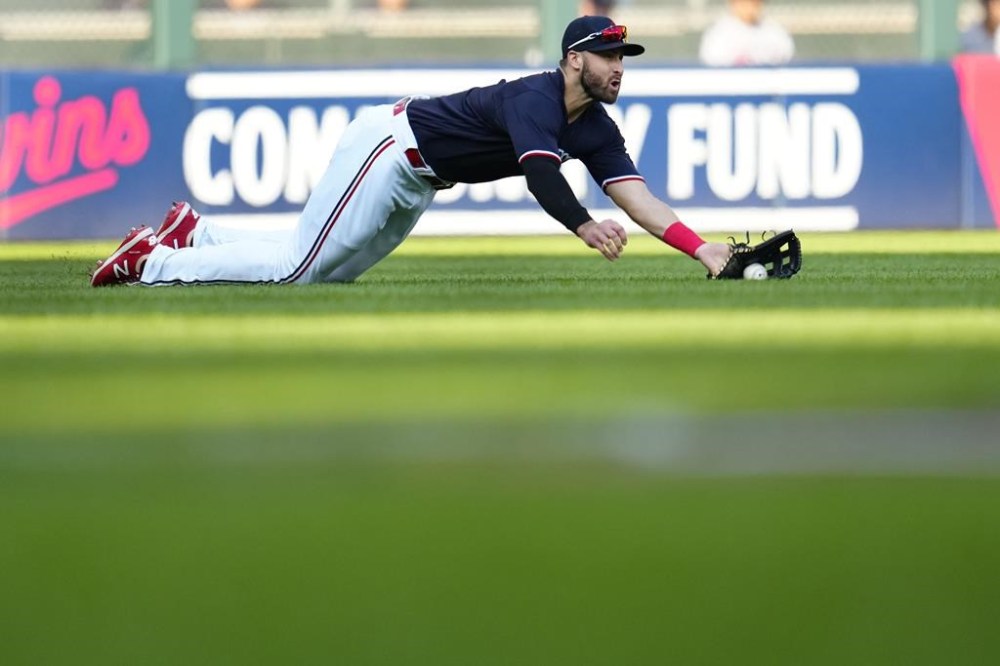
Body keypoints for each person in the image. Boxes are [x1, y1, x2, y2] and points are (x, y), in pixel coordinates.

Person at [90, 15, 735, 288]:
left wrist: (700, 248)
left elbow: (637, 196)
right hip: (388, 148)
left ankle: (195, 233)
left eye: (623, 57)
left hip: (418, 177)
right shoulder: (537, 98)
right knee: (296, 271)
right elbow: (541, 174)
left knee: (325, 274)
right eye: (608, 55)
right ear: (574, 60)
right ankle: (151, 263)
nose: (619, 67)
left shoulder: (592, 123)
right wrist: (584, 223)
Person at [699, 0, 794, 67]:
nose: (750, 6)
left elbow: (787, 63)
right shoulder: (718, 35)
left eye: (754, 2)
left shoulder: (775, 32)